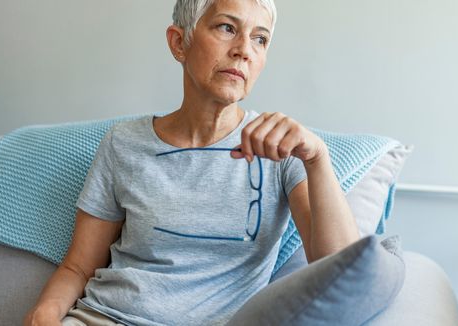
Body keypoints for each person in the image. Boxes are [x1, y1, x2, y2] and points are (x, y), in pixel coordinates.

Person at [24, 0, 359, 325]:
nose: (244, 49)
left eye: (260, 39)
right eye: (227, 27)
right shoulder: (123, 143)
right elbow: (79, 267)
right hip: (103, 316)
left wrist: (317, 158)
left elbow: (342, 271)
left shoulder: (281, 150)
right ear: (178, 42)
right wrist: (44, 315)